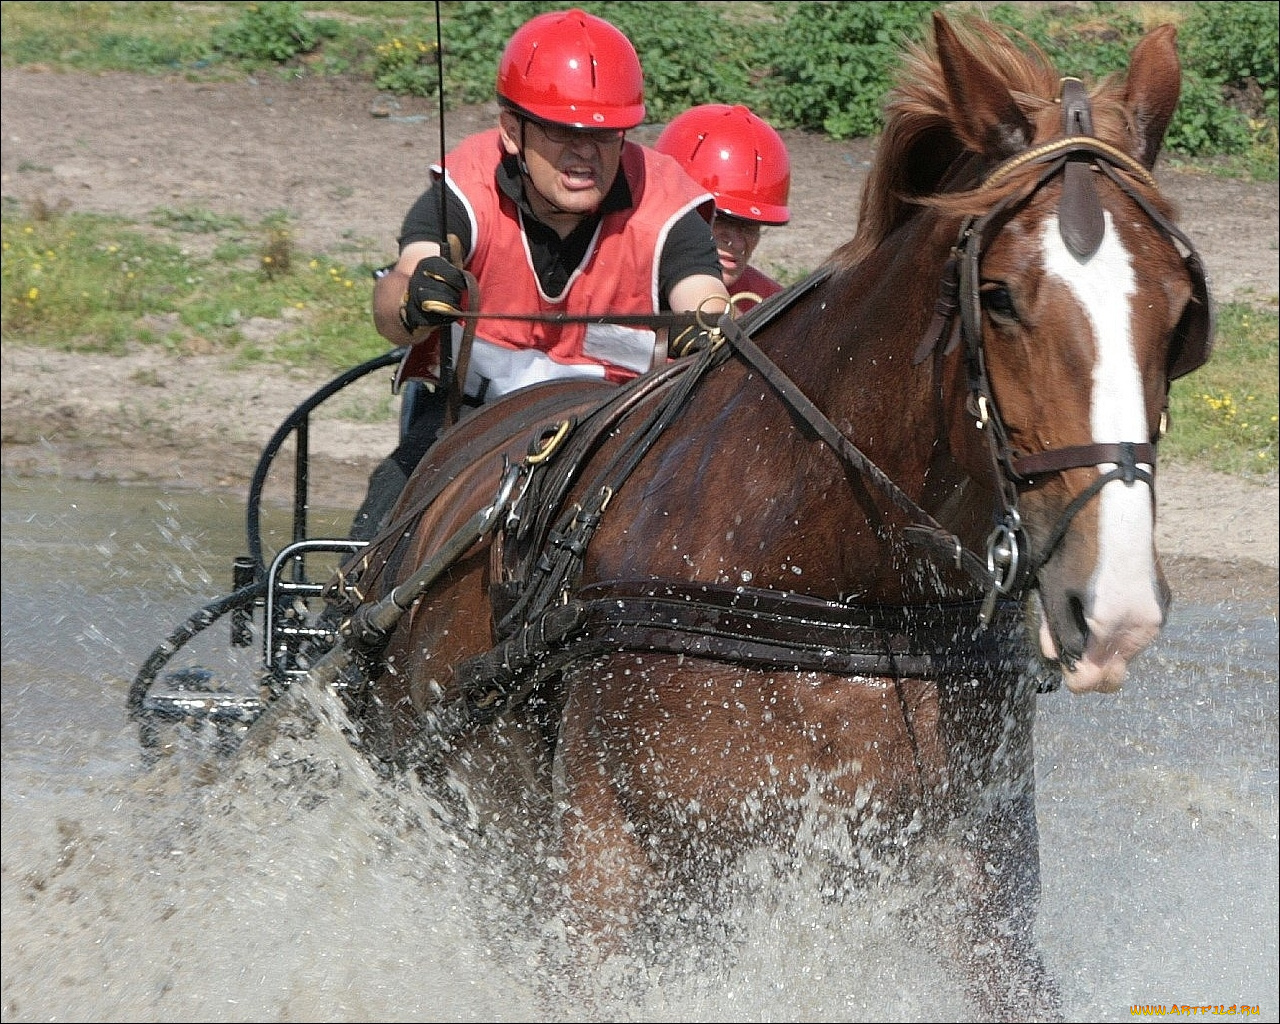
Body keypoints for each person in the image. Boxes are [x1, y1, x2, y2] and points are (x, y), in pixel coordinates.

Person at [351, 7, 730, 541]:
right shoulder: (465, 188)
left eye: (605, 135)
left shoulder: (668, 205)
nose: (585, 153)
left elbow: (705, 296)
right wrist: (415, 295)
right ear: (512, 131)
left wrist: (708, 325)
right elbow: (394, 297)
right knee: (370, 555)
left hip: (610, 446)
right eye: (561, 132)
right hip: (463, 431)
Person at [653, 103, 791, 311]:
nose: (736, 242)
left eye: (749, 227)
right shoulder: (615, 287)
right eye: (719, 219)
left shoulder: (769, 307)